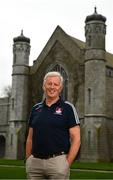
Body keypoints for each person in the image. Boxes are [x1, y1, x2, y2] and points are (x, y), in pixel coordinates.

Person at [26, 71, 81, 179]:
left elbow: (76, 139)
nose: (52, 87)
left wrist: (66, 164)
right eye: (49, 84)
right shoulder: (35, 109)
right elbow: (30, 138)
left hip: (58, 163)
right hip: (35, 164)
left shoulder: (68, 108)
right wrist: (28, 160)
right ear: (44, 86)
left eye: (55, 84)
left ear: (60, 88)